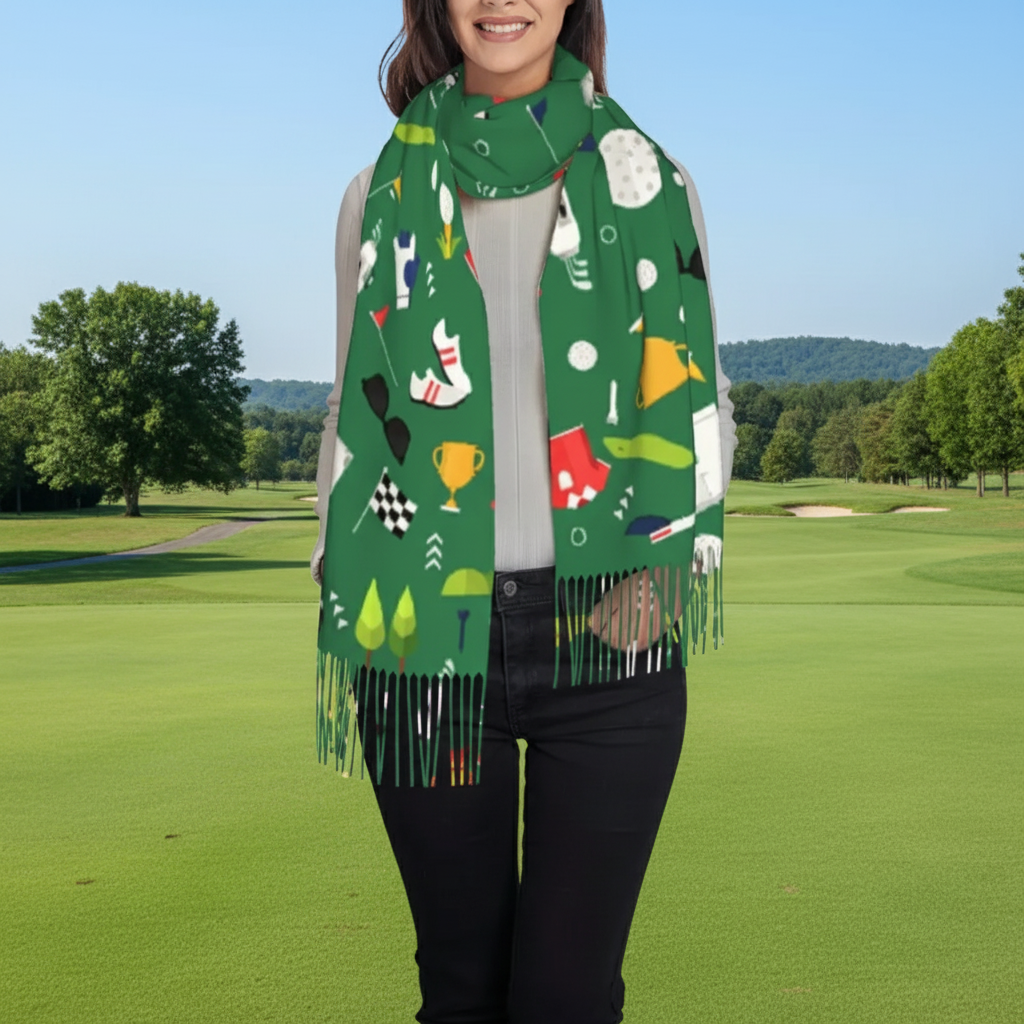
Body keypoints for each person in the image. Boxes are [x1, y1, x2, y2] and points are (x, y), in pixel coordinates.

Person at [311, 2, 736, 1021]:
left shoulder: (650, 178)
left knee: (564, 998)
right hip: (417, 638)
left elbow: (701, 395)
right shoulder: (377, 190)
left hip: (607, 634)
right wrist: (338, 562)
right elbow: (348, 404)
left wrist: (663, 575)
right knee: (459, 991)